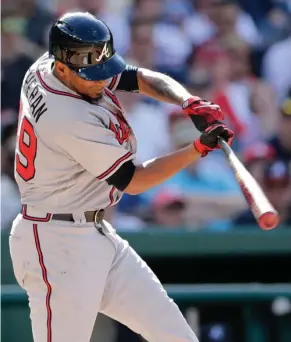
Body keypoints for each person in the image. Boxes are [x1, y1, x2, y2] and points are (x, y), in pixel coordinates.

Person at [9, 12, 233, 342]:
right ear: (61, 68)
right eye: (92, 74)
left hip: (95, 232)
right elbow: (133, 180)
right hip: (56, 243)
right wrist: (196, 148)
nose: (102, 80)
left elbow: (134, 78)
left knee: (176, 335)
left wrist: (187, 100)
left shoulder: (53, 65)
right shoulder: (67, 114)